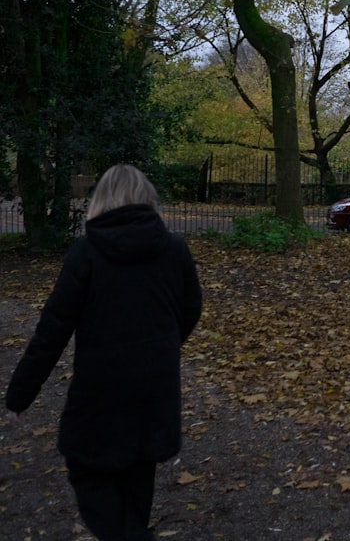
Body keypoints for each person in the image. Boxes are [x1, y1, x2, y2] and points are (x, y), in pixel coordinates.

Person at [5, 164, 203, 540]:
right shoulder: (173, 248)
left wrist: (19, 394)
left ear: (101, 200)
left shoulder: (88, 253)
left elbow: (53, 328)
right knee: (138, 475)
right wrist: (163, 346)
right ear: (147, 199)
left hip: (101, 388)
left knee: (88, 472)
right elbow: (192, 306)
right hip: (154, 385)